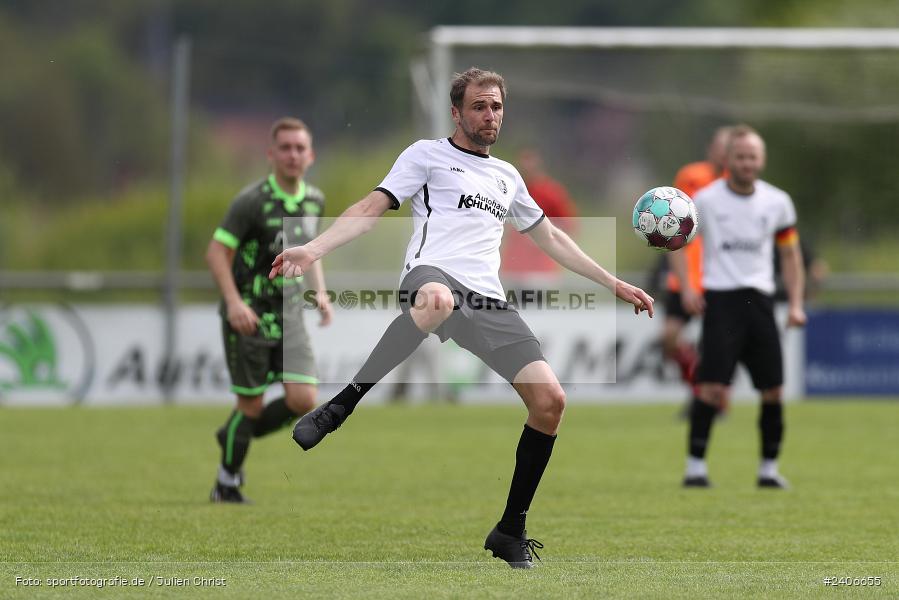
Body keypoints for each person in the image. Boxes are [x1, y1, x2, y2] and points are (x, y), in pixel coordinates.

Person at [269, 68, 655, 568]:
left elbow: (552, 239)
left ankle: (510, 530)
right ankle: (341, 405)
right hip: (431, 276)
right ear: (457, 112)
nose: (489, 115)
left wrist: (614, 283)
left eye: (496, 107)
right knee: (438, 300)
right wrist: (313, 247)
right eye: (478, 106)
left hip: (487, 298)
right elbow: (371, 206)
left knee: (551, 402)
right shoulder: (426, 154)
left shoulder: (507, 177)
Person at [671, 124, 806, 489]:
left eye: (752, 157)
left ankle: (768, 470)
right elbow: (679, 243)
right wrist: (687, 288)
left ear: (761, 160)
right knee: (712, 388)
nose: (747, 163)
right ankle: (695, 467)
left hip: (760, 303)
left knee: (773, 390)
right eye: (740, 156)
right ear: (728, 159)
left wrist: (795, 303)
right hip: (722, 301)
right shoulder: (706, 200)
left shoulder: (777, 202)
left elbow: (790, 256)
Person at [206, 117, 333, 503]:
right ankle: (227, 481)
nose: (293, 155)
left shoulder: (314, 200)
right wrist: (234, 303)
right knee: (251, 402)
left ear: (310, 156)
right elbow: (216, 252)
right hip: (251, 314)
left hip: (290, 314)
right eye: (286, 148)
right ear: (271, 154)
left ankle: (234, 434)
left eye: (300, 148)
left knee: (303, 399)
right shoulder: (251, 201)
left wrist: (321, 294)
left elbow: (310, 250)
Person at [663, 126, 732, 413]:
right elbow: (676, 223)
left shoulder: (738, 183)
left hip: (719, 278)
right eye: (720, 146)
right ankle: (698, 388)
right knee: (668, 338)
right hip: (685, 277)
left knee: (716, 348)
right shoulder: (691, 176)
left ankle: (708, 397)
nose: (724, 153)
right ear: (710, 148)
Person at [500, 147, 578, 279]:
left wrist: (538, 235)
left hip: (540, 268)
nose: (526, 166)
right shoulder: (509, 190)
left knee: (537, 298)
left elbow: (568, 225)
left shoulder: (551, 192)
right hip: (514, 266)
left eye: (530, 161)